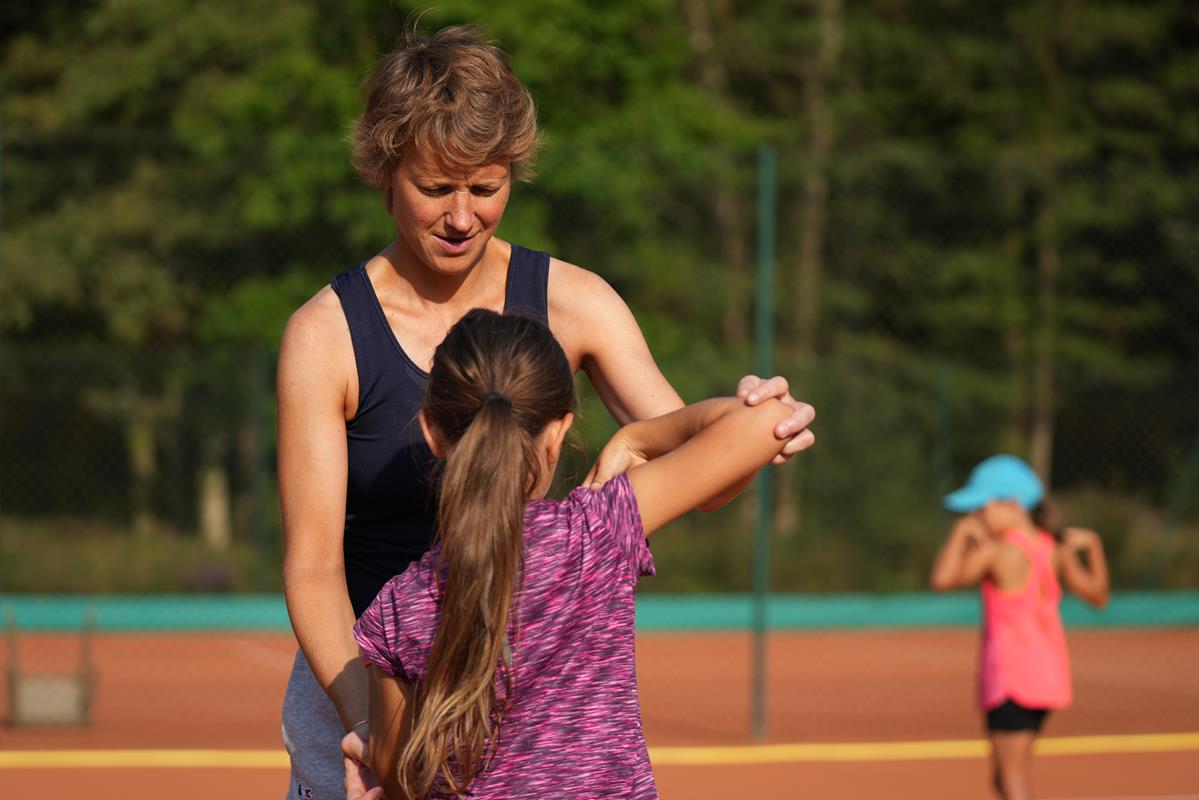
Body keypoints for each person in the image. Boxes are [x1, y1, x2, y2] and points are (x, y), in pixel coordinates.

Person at [276, 25, 816, 799]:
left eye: (485, 186)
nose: (462, 216)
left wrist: (730, 418)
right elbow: (314, 566)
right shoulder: (325, 336)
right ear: (383, 174)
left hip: (523, 699)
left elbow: (710, 475)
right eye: (435, 188)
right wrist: (377, 729)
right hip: (366, 683)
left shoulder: (576, 302)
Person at [350, 309, 806, 799]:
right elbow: (766, 419)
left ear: (432, 431)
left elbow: (399, 778)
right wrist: (634, 437)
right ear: (557, 434)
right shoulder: (596, 534)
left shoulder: (397, 608)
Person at [929, 454, 1109, 800]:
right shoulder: (1053, 548)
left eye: (981, 508)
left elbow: (943, 579)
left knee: (1012, 780)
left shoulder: (999, 551)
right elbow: (1098, 595)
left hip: (1010, 682)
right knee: (1006, 776)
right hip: (1047, 679)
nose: (975, 516)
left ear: (1011, 505)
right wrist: (1095, 547)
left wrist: (960, 534)